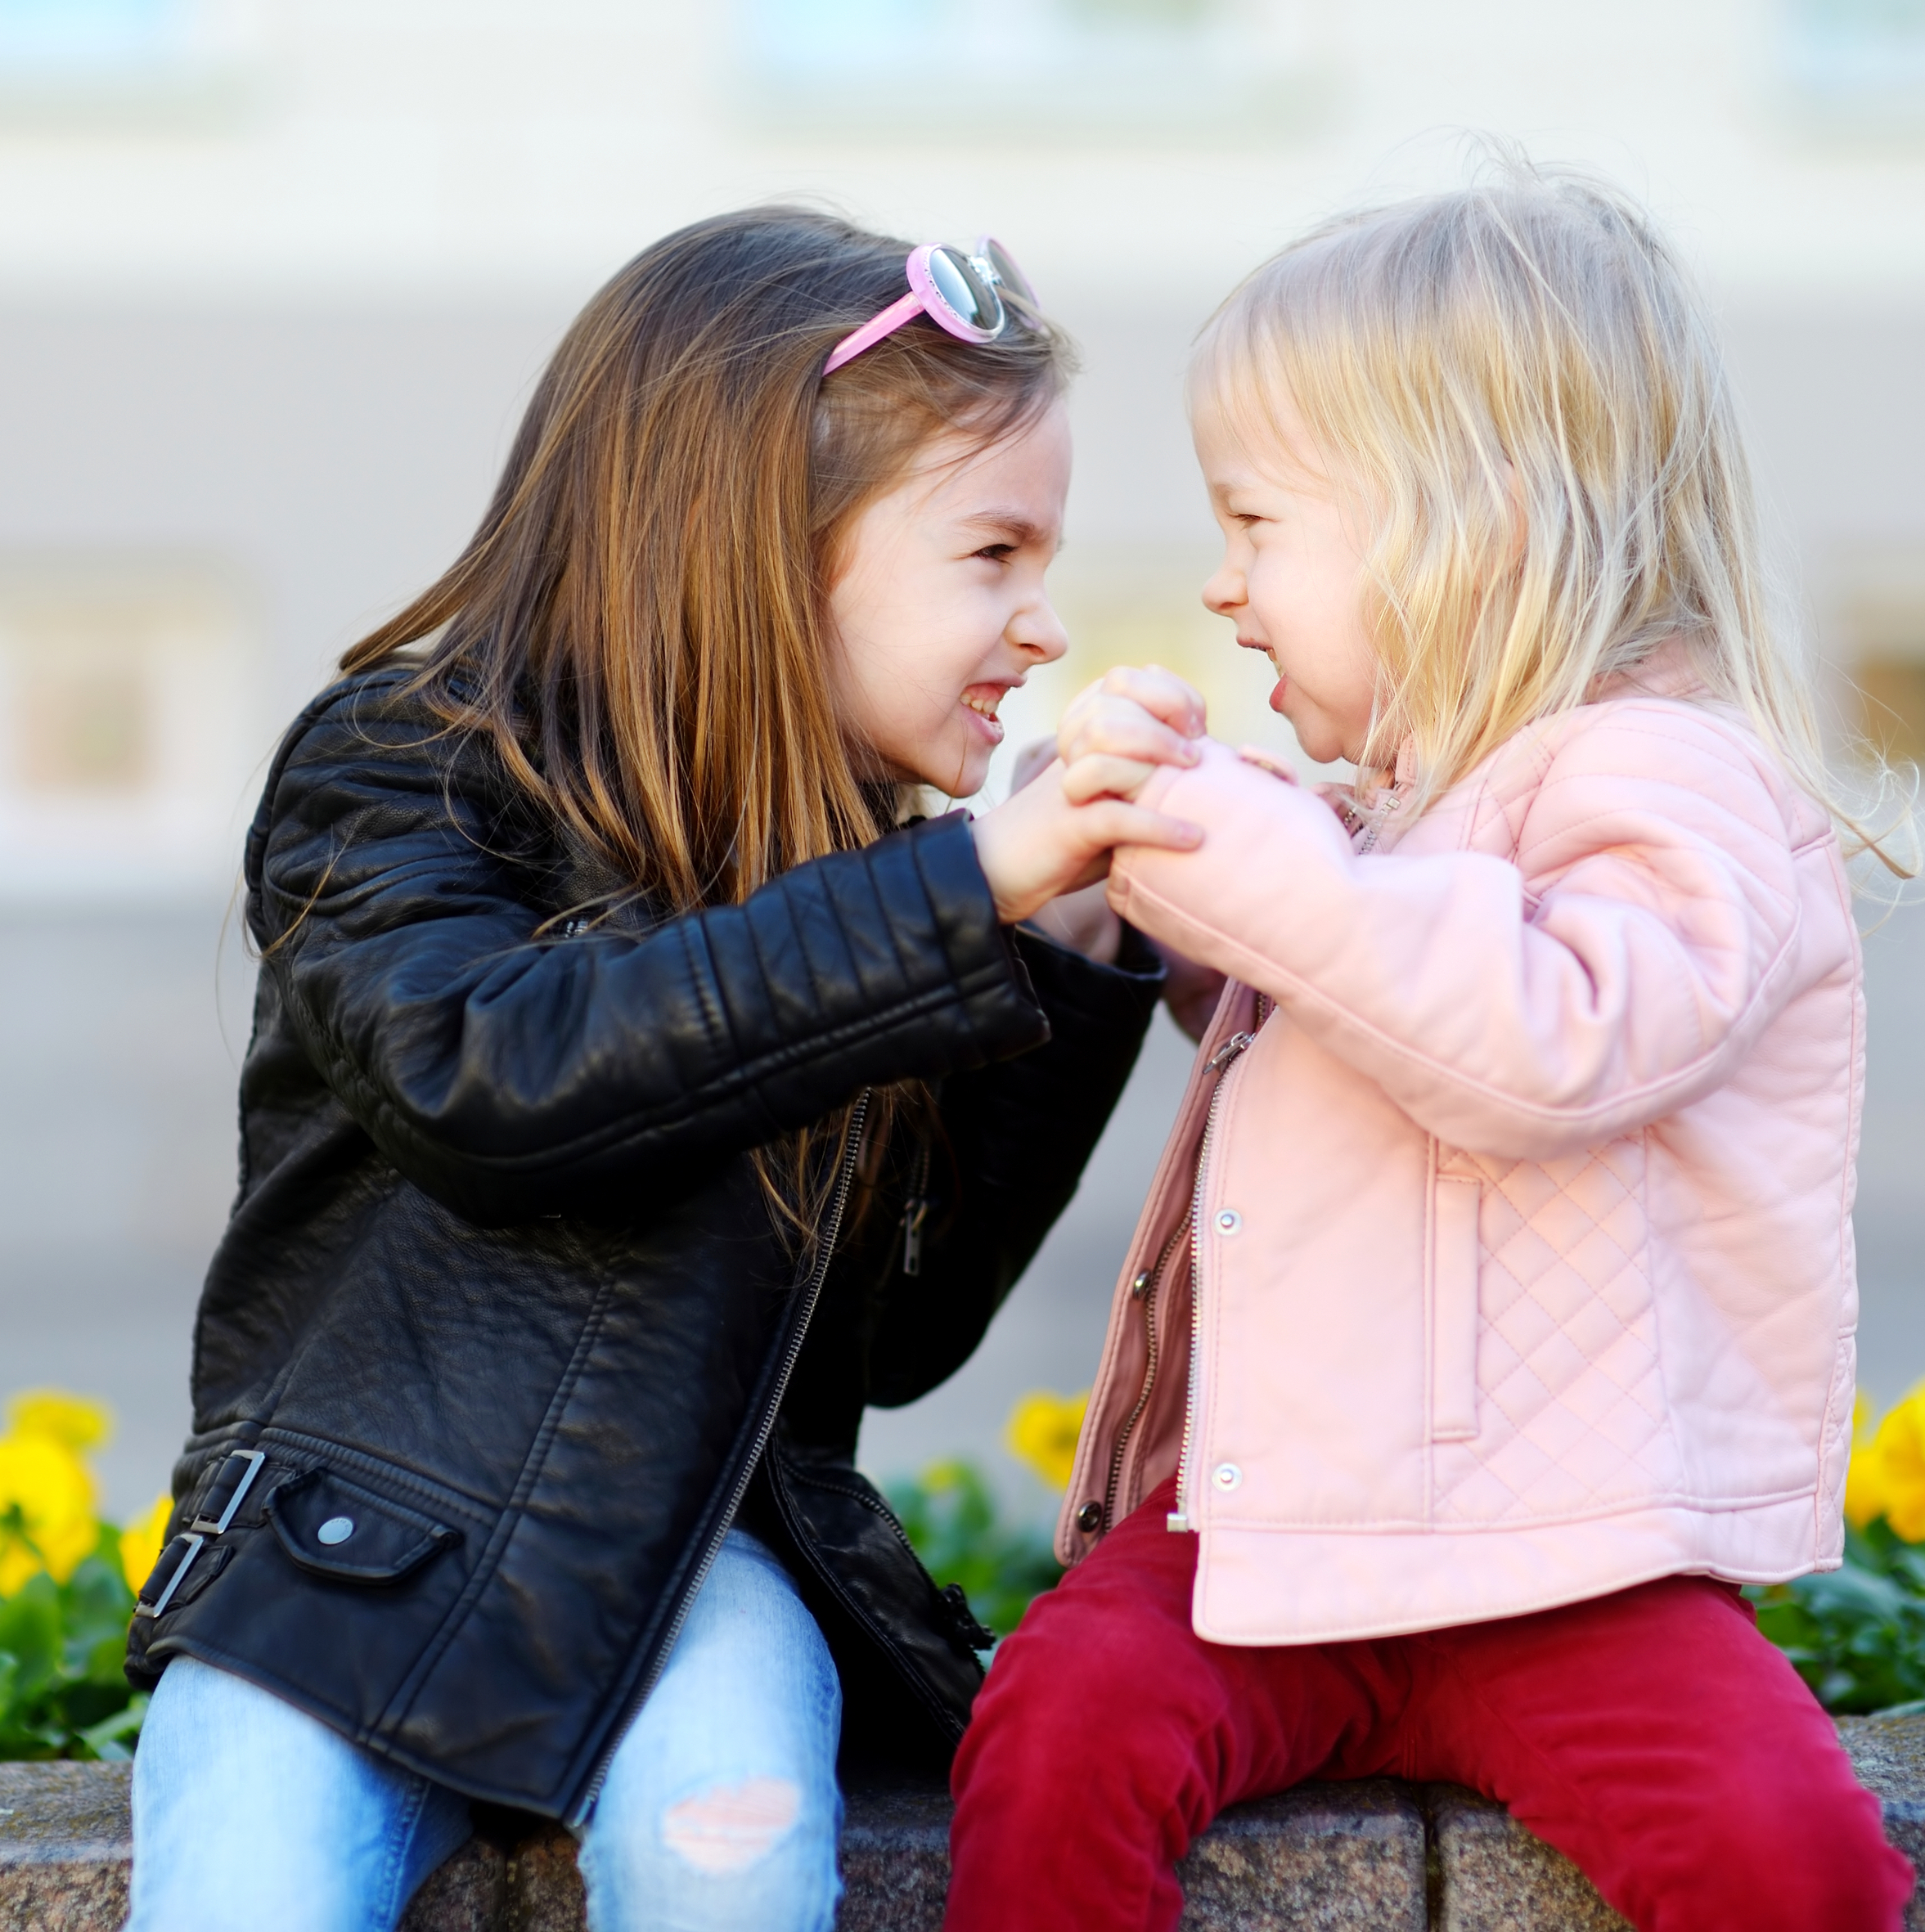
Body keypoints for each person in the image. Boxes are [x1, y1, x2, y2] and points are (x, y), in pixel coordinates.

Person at [118, 207, 1211, 1932]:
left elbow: (898, 1331)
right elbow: (491, 1074)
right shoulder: (402, 766)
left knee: (734, 1836)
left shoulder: (872, 862)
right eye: (991, 554)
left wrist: (1056, 968)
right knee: (246, 1878)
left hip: (712, 1551)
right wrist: (956, 893)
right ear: (769, 540)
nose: (1043, 625)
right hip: (342, 1559)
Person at [943, 163, 1921, 1932]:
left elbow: (1539, 1041)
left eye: (1256, 526)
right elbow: (1359, 1037)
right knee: (1057, 1722)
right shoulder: (1399, 807)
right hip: (1276, 1536)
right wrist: (1156, 919)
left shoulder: (1675, 777)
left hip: (1575, 1562)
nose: (1226, 593)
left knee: (1790, 1857)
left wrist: (1244, 855)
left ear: (1471, 524)